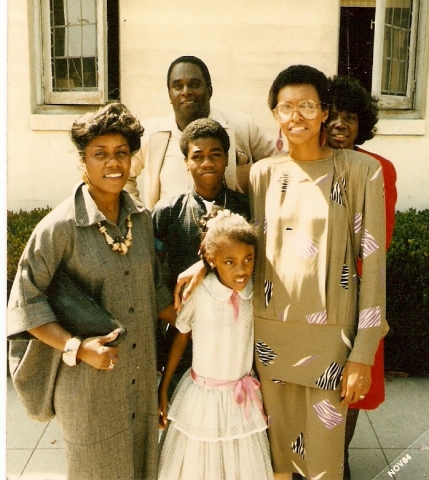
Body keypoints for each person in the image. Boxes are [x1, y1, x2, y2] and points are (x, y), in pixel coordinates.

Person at [175, 65, 386, 480]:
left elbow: (374, 265)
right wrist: (204, 266)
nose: (297, 116)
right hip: (270, 341)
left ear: (324, 112)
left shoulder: (361, 171)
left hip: (332, 342)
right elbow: (243, 247)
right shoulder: (263, 174)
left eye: (307, 105)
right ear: (274, 114)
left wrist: (363, 352)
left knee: (324, 465)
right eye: (286, 107)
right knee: (275, 463)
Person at [7, 103, 176, 480]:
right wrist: (77, 348)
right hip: (88, 389)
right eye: (100, 154)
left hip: (140, 381)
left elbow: (159, 297)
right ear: (83, 162)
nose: (113, 163)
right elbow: (25, 303)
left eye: (121, 153)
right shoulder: (59, 228)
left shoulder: (141, 221)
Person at [157, 210, 274, 480]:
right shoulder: (200, 293)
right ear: (212, 260)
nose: (241, 269)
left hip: (241, 396)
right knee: (199, 465)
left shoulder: (255, 292)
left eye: (248, 260)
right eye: (230, 262)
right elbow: (181, 337)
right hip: (203, 397)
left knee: (242, 463)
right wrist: (164, 388)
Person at [326, 75, 397, 480]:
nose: (340, 124)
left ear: (362, 124)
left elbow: (377, 242)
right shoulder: (308, 161)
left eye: (349, 117)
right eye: (333, 115)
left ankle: (341, 460)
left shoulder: (378, 169)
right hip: (312, 301)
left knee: (350, 387)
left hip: (356, 298)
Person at [152, 118, 251, 384]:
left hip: (233, 330)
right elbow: (152, 274)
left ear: (227, 159)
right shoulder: (167, 212)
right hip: (182, 331)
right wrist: (174, 317)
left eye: (215, 154)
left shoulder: (245, 208)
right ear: (185, 162)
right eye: (198, 156)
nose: (207, 162)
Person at [125, 55, 277, 208]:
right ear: (170, 95)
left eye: (194, 84)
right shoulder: (151, 134)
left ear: (209, 91)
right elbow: (124, 175)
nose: (186, 91)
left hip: (228, 227)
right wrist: (139, 217)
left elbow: (279, 165)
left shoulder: (243, 127)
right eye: (178, 86)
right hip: (169, 230)